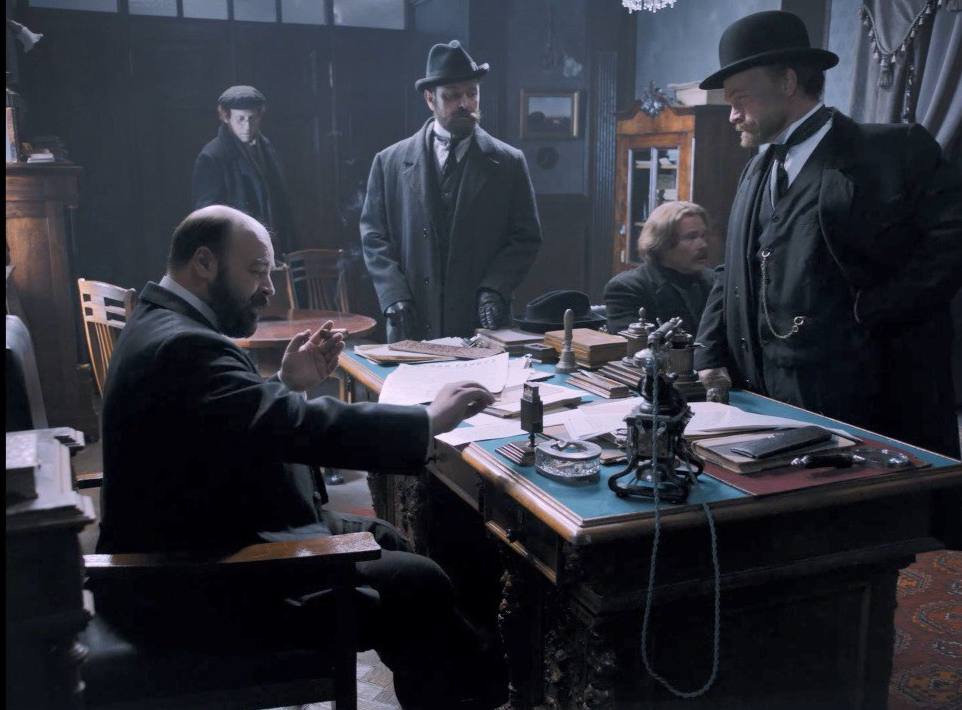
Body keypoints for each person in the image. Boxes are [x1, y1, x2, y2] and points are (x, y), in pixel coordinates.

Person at [94, 205, 507, 709]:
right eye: (256, 271)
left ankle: (463, 682)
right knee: (420, 583)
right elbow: (297, 428)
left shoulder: (161, 322)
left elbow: (236, 422)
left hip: (205, 539)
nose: (269, 288)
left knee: (390, 540)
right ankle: (482, 688)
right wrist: (427, 420)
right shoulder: (184, 346)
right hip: (190, 590)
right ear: (203, 262)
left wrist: (287, 383)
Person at [694, 11, 962, 457]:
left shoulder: (892, 152)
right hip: (764, 402)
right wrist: (710, 353)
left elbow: (951, 244)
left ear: (787, 82)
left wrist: (871, 310)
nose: (733, 116)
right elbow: (732, 272)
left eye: (740, 99)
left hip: (870, 401)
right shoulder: (755, 171)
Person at [361, 40, 542, 342]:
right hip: (411, 319)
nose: (465, 104)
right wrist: (393, 294)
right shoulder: (389, 162)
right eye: (453, 95)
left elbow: (526, 237)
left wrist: (495, 288)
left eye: (472, 93)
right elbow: (374, 236)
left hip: (480, 319)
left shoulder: (508, 162)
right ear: (430, 99)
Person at [192, 85, 297, 258]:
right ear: (226, 117)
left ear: (259, 116)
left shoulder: (266, 148)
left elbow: (281, 202)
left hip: (271, 248)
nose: (247, 126)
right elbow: (207, 218)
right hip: (236, 251)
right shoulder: (212, 156)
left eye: (252, 118)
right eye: (240, 119)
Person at [604, 200, 714, 335]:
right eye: (691, 237)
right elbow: (633, 345)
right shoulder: (627, 288)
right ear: (663, 243)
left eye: (703, 236)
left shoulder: (715, 281)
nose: (703, 245)